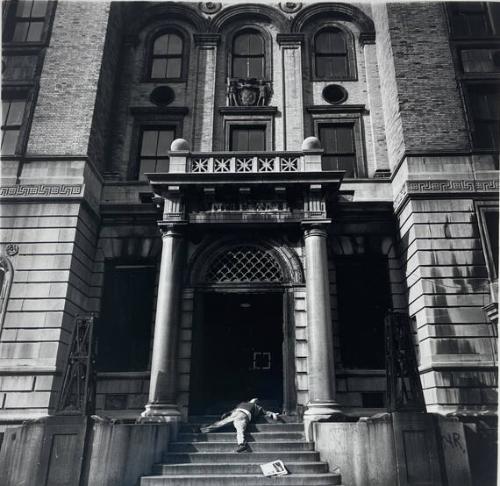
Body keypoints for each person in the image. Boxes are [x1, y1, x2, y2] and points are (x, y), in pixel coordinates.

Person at [200, 398, 279, 452]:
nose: (254, 401)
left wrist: (273, 414)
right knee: (221, 423)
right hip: (236, 413)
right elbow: (234, 409)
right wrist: (227, 413)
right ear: (250, 400)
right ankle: (203, 430)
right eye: (254, 400)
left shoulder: (257, 407)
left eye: (256, 401)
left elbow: (266, 412)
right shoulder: (242, 403)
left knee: (240, 429)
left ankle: (242, 444)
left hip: (244, 415)